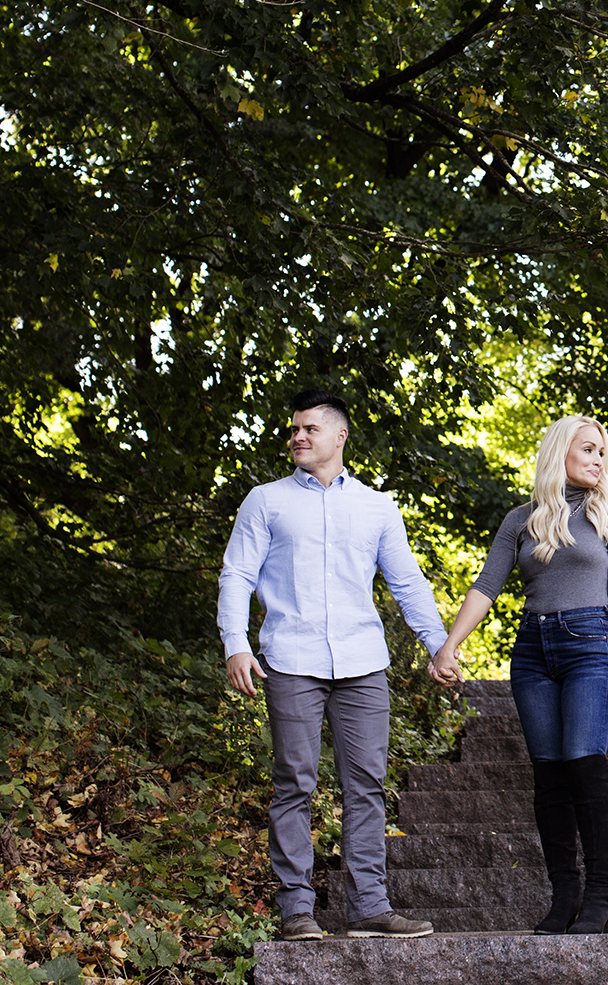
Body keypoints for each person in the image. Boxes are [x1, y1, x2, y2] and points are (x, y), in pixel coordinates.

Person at [217, 390, 459, 942]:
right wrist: (236, 643)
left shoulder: (376, 506)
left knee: (367, 787)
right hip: (291, 660)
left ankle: (370, 907)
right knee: (294, 784)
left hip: (362, 664)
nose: (298, 437)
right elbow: (237, 576)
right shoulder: (266, 501)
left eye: (310, 429)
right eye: (294, 429)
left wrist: (438, 645)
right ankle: (297, 911)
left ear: (340, 436)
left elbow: (406, 582)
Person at [430, 413, 608, 935]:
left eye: (602, 453)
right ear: (559, 452)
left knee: (584, 763)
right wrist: (448, 647)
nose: (598, 460)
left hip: (592, 645)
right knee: (548, 776)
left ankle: (599, 897)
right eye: (588, 449)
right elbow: (486, 586)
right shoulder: (520, 519)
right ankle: (564, 894)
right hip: (532, 652)